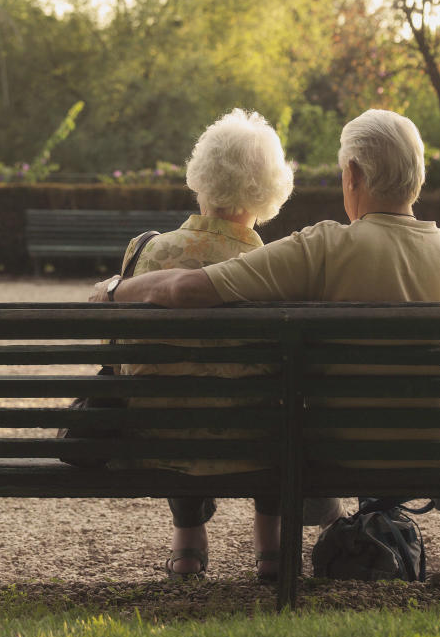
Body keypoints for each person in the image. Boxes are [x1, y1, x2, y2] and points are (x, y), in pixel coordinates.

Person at [92, 109, 440, 579]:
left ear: (353, 175)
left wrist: (115, 290)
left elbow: (186, 290)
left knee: (303, 414)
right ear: (419, 175)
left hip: (348, 449)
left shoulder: (323, 246)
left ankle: (328, 528)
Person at [101, 108, 340, 581]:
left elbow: (121, 356)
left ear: (201, 175)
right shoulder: (275, 264)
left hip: (156, 439)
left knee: (176, 388)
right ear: (270, 188)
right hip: (257, 445)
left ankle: (187, 543)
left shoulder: (145, 251)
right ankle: (270, 545)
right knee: (273, 398)